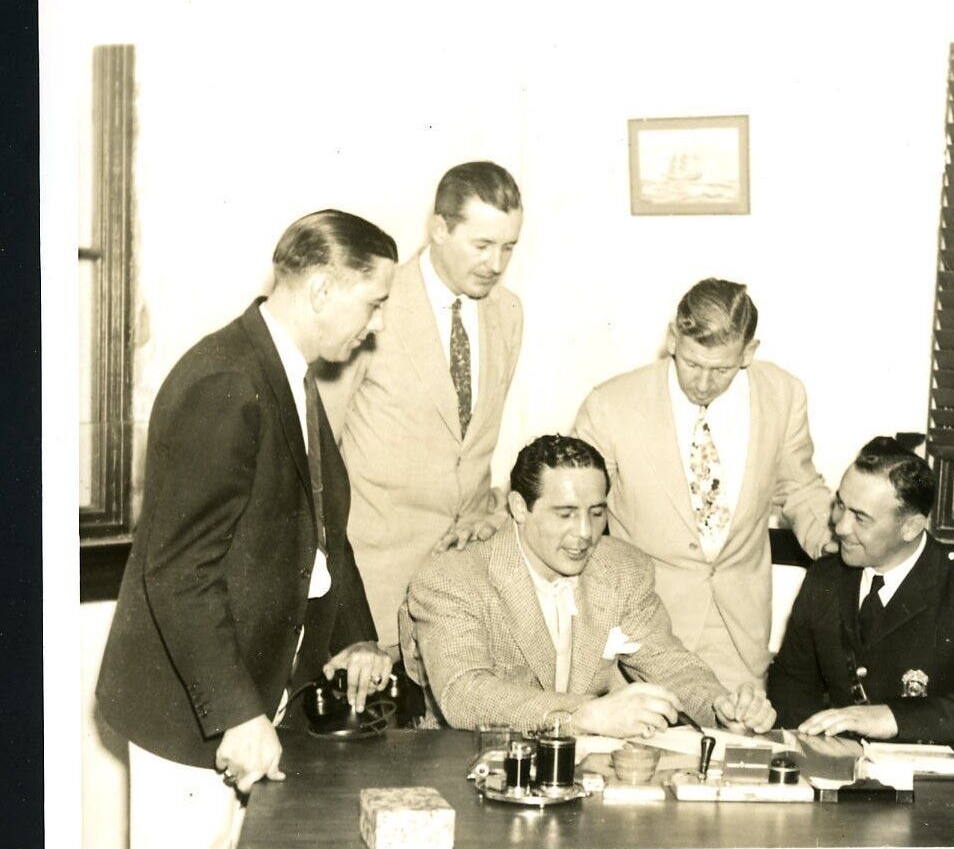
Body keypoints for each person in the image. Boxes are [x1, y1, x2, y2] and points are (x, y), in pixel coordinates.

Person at [95, 210, 398, 849]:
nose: (378, 326)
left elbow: (320, 528)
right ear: (321, 290)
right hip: (190, 718)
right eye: (373, 303)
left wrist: (351, 637)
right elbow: (180, 572)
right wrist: (237, 711)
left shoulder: (286, 370)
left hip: (247, 704)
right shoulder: (227, 381)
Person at [408, 435, 777, 738]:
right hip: (470, 761)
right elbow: (464, 694)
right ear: (519, 508)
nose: (585, 533)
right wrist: (583, 715)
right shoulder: (452, 576)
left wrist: (721, 707)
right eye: (565, 514)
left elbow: (667, 662)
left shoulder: (622, 569)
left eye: (597, 513)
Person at [573, 278, 834, 694]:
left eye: (722, 370)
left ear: (749, 352)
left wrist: (834, 540)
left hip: (737, 636)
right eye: (692, 364)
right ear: (673, 340)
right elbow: (575, 506)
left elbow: (799, 487)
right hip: (640, 631)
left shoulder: (782, 396)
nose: (703, 383)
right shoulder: (611, 405)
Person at [316, 161, 525, 666]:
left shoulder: (509, 312)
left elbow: (470, 447)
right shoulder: (373, 304)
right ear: (439, 229)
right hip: (371, 600)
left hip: (465, 600)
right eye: (481, 245)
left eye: (509, 247)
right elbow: (317, 452)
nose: (496, 264)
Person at [766, 438, 954, 741]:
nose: (840, 526)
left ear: (910, 527)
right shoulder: (825, 578)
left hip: (935, 779)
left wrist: (894, 717)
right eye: (840, 504)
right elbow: (791, 684)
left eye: (861, 518)